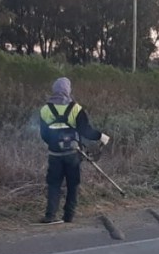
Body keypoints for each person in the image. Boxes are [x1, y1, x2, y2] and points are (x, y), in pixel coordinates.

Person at [38, 77, 110, 223]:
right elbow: (85, 131)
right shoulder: (76, 108)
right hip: (72, 154)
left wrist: (53, 143)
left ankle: (50, 215)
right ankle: (68, 216)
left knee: (54, 184)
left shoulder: (45, 110)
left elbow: (43, 135)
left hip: (54, 154)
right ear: (67, 90)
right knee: (73, 184)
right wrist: (101, 136)